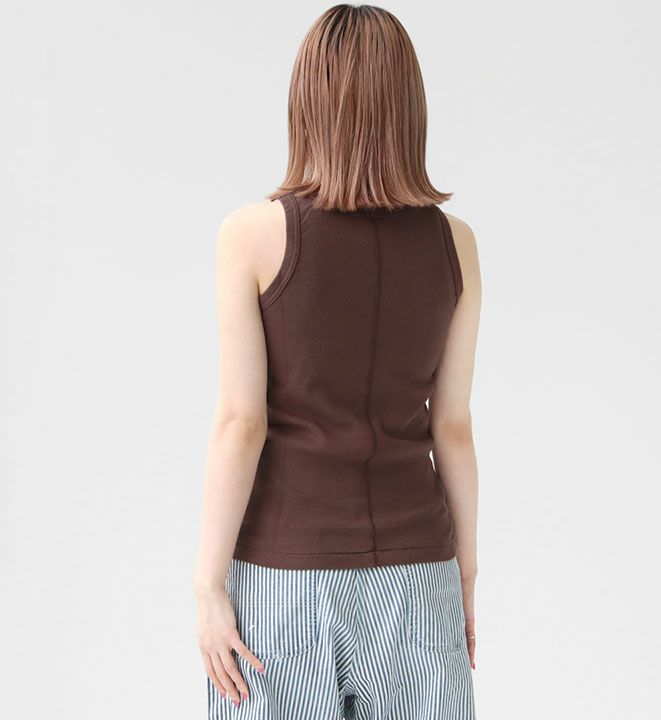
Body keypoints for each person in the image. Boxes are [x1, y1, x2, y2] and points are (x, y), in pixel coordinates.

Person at [193, 4, 481, 719]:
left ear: (307, 101)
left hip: (283, 573)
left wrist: (208, 585)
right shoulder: (455, 243)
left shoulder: (252, 235)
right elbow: (451, 426)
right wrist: (465, 574)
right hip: (418, 570)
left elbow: (242, 423)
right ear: (408, 106)